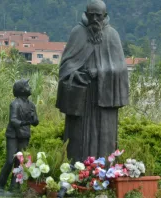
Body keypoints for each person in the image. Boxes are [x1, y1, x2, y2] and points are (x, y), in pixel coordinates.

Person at [56, 0, 129, 163]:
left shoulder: (112, 35)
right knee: (78, 137)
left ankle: (105, 173)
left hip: (104, 96)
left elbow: (121, 68)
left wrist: (99, 72)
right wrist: (75, 73)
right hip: (81, 96)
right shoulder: (78, 33)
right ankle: (76, 170)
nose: (95, 19)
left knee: (104, 137)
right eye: (92, 15)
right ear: (86, 14)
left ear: (105, 16)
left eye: (99, 16)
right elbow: (66, 64)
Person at [0, 79, 39, 192]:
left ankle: (14, 187)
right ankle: (0, 185)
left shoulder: (32, 105)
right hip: (13, 135)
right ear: (22, 89)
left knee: (20, 162)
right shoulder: (14, 104)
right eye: (27, 86)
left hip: (24, 135)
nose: (30, 87)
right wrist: (25, 122)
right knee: (10, 160)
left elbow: (36, 122)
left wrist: (34, 119)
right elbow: (13, 120)